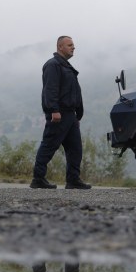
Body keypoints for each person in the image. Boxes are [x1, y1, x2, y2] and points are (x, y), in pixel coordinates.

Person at [32, 36, 91, 190]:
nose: (73, 47)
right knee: (49, 145)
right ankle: (38, 178)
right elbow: (50, 90)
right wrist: (54, 111)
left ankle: (73, 180)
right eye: (70, 45)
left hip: (70, 116)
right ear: (60, 47)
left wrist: (78, 115)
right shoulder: (53, 65)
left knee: (75, 149)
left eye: (73, 45)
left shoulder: (66, 66)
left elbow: (74, 92)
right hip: (59, 114)